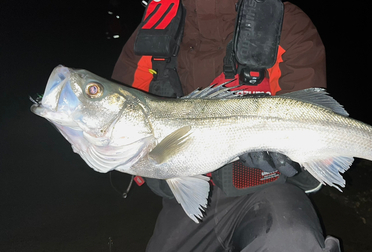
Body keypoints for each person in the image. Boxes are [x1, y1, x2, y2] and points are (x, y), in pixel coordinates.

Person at [112, 0, 341, 251]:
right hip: (185, 199)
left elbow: (311, 117)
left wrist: (299, 159)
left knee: (291, 237)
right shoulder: (156, 24)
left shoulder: (285, 20)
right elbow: (123, 114)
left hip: (267, 190)